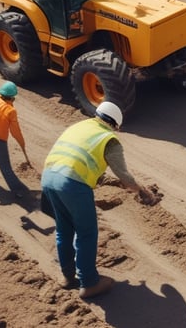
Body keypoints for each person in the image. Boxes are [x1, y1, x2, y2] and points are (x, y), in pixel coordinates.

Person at [41, 101, 155, 299]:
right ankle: (89, 283)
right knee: (86, 233)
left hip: (49, 178)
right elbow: (124, 176)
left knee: (64, 229)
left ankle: (68, 276)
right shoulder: (109, 138)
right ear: (115, 125)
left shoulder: (80, 126)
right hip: (72, 184)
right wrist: (141, 190)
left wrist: (112, 182)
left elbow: (83, 160)